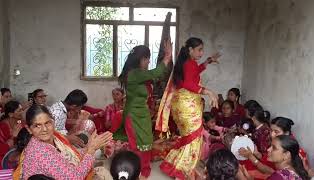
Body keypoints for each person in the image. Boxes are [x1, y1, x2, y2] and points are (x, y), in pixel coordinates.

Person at [159, 37, 221, 179]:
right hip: (188, 107)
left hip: (182, 106)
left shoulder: (187, 63)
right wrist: (208, 92)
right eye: (199, 50)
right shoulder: (189, 63)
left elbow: (194, 74)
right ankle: (182, 171)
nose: (201, 53)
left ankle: (177, 165)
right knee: (194, 138)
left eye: (202, 50)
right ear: (190, 50)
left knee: (189, 138)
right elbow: (189, 84)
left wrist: (208, 61)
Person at [114, 41, 172, 179]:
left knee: (145, 143)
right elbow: (157, 71)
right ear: (139, 59)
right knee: (138, 145)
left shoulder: (140, 74)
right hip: (134, 116)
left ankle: (143, 170)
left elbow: (158, 75)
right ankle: (137, 172)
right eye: (146, 58)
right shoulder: (134, 74)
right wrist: (168, 55)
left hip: (142, 114)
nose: (148, 61)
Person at [13, 104, 112, 179]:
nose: (44, 129)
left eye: (47, 123)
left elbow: (71, 154)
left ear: (53, 121)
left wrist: (88, 147)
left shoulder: (55, 137)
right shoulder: (40, 150)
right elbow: (75, 178)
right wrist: (91, 150)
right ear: (29, 129)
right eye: (37, 125)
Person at [0, 101, 23, 169]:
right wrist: (13, 136)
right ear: (11, 114)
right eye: (19, 110)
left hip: (16, 153)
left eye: (22, 109)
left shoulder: (20, 122)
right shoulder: (2, 127)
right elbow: (2, 148)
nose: (22, 112)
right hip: (4, 155)